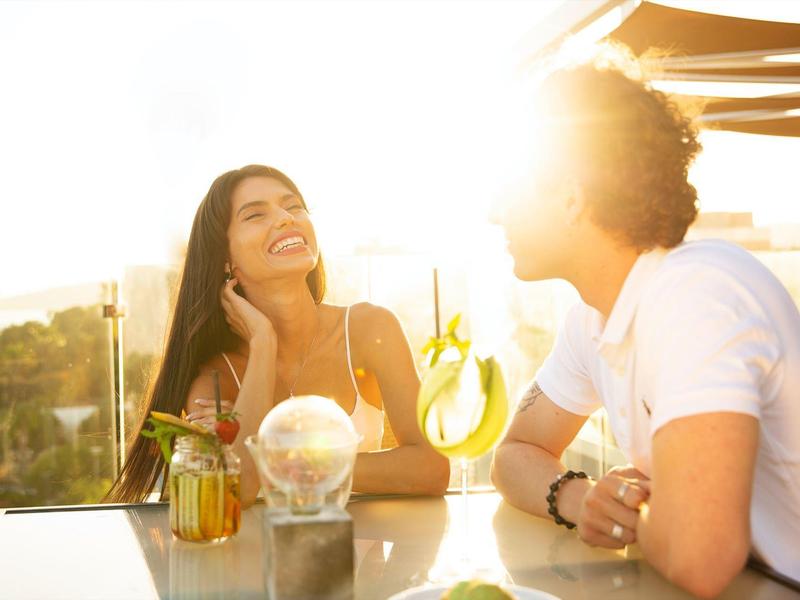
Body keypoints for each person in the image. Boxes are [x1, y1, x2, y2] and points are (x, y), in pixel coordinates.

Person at [490, 45, 800, 598]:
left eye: (511, 190)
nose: (495, 213)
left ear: (571, 199)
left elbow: (700, 556)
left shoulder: (694, 295)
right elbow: (513, 455)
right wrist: (580, 497)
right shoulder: (593, 319)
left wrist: (645, 510)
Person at [106, 164, 449, 507]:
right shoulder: (215, 377)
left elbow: (432, 468)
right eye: (255, 215)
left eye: (294, 206)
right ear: (225, 257)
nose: (286, 218)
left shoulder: (370, 329)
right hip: (264, 558)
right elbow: (233, 492)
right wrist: (262, 345)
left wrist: (288, 461)